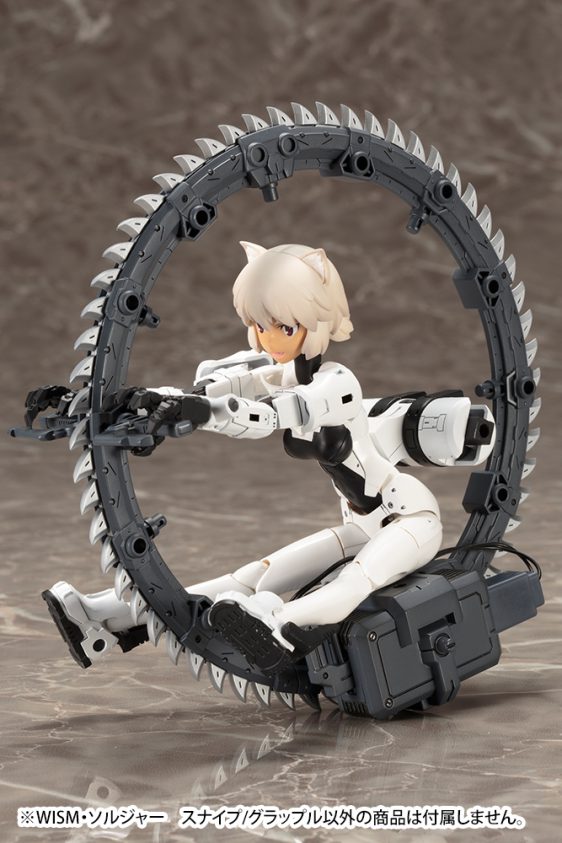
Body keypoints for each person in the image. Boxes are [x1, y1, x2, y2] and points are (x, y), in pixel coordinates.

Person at [43, 243, 442, 673]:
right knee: (254, 577)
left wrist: (203, 412)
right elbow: (222, 389)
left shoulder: (337, 384)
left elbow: (269, 413)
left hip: (410, 518)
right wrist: (132, 401)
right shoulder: (285, 372)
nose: (269, 339)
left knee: (356, 581)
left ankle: (276, 625)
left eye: (284, 326)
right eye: (259, 325)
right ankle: (104, 616)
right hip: (361, 525)